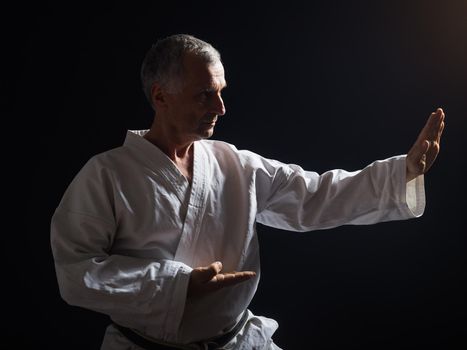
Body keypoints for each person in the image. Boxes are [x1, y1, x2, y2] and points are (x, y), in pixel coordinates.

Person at [50, 34, 445, 350]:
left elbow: (315, 195)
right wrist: (177, 285)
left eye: (222, 91)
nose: (221, 107)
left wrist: (402, 171)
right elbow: (75, 272)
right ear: (160, 96)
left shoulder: (233, 164)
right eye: (206, 94)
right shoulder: (106, 174)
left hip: (239, 339)